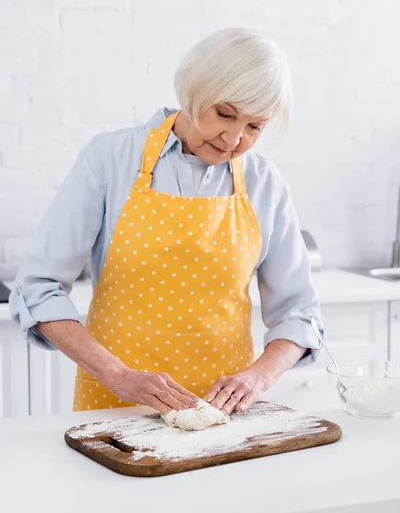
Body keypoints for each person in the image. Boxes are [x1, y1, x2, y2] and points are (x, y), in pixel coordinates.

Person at [10, 27, 323, 417]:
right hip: (117, 404)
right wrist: (119, 376)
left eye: (254, 126)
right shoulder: (110, 159)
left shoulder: (264, 183)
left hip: (221, 414)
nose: (233, 138)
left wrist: (255, 379)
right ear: (192, 91)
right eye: (225, 114)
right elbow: (38, 289)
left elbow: (298, 314)